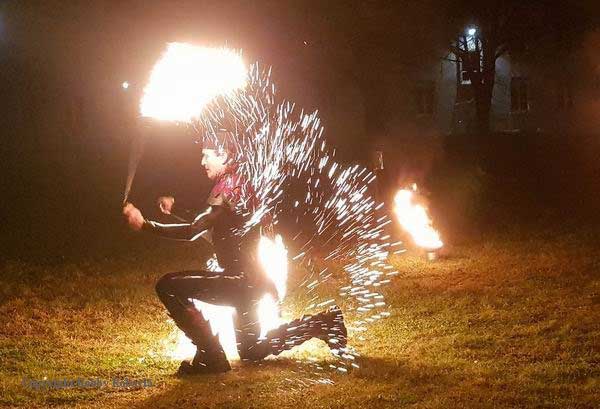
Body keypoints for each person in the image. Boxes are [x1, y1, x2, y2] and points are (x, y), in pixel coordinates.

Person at [122, 130, 347, 375]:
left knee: (167, 286)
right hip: (252, 283)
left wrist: (145, 225)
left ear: (225, 156)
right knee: (252, 350)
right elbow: (215, 224)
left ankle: (211, 356)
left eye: (207, 155)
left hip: (239, 282)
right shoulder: (238, 183)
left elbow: (194, 231)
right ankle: (324, 323)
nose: (202, 162)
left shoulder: (228, 187)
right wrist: (178, 207)